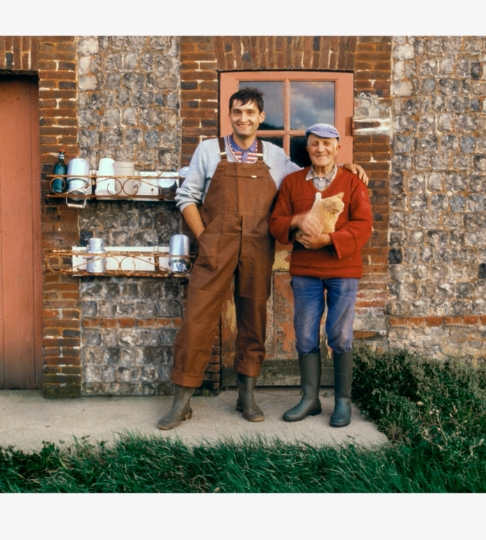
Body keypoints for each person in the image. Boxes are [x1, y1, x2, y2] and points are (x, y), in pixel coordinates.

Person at [158, 89, 367, 430]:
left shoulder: (273, 155)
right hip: (216, 247)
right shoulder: (209, 151)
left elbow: (311, 174)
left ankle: (247, 395)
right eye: (238, 112)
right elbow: (186, 198)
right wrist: (206, 238)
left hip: (257, 248)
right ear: (230, 115)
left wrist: (344, 167)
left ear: (260, 116)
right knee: (197, 318)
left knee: (253, 319)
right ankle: (181, 401)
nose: (244, 119)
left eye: (251, 113)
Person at [268, 123, 372, 428]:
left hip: (343, 269)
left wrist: (328, 240)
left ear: (338, 147)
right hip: (306, 271)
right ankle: (310, 399)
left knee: (340, 334)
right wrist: (295, 226)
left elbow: (363, 226)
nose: (321, 149)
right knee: (304, 334)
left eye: (327, 143)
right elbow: (276, 223)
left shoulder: (353, 183)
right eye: (314, 144)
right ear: (308, 148)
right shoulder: (292, 183)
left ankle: (342, 402)